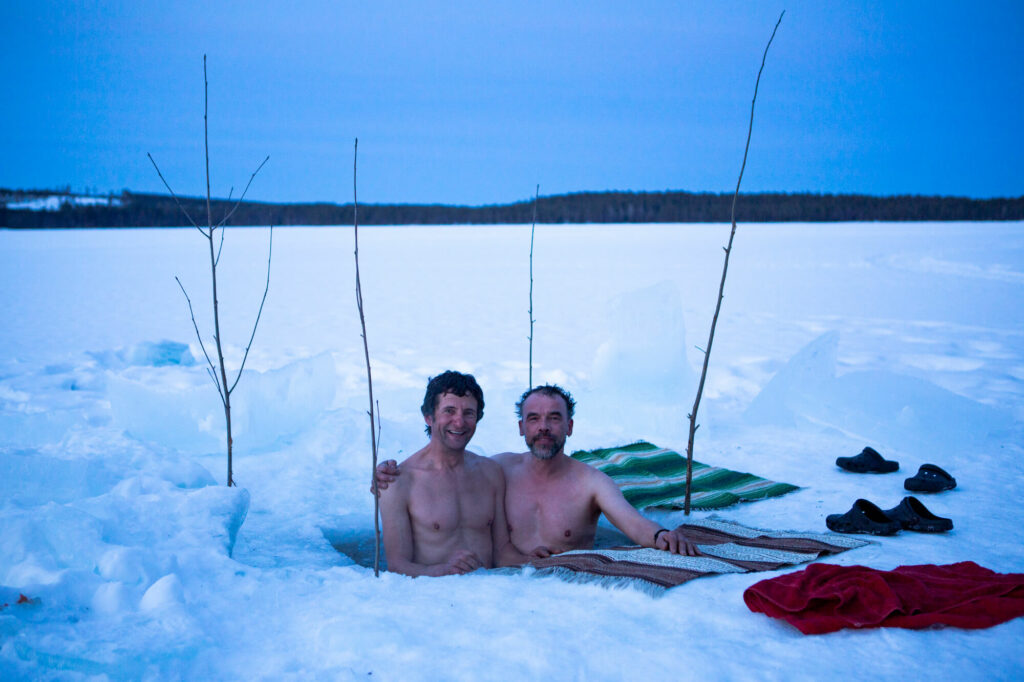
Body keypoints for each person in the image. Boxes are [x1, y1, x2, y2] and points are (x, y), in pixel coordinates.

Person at [377, 384, 699, 558]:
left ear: (569, 426)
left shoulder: (591, 483)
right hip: (504, 587)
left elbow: (632, 523)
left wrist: (661, 536)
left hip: (560, 596)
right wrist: (384, 479)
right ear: (521, 427)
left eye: (554, 418)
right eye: (533, 419)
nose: (543, 427)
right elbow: (442, 476)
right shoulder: (497, 469)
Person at [378, 370, 525, 577]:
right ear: (429, 417)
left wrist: (541, 561)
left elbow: (501, 551)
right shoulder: (399, 481)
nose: (459, 422)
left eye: (468, 413)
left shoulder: (490, 473)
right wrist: (443, 570)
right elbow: (397, 567)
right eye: (449, 411)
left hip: (490, 597)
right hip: (435, 599)